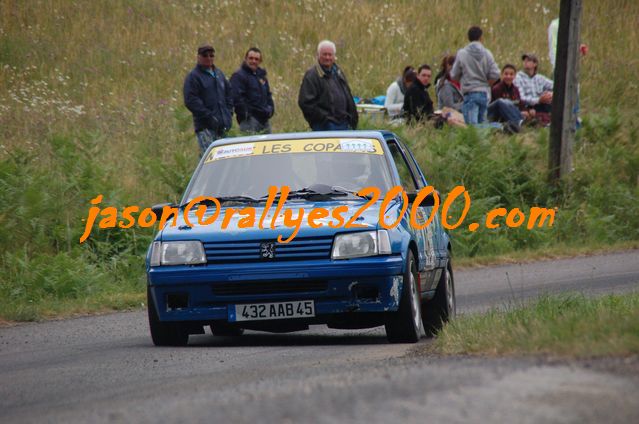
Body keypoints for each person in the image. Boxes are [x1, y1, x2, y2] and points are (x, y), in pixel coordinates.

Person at [183, 44, 233, 155]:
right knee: (210, 158)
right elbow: (190, 100)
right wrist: (209, 116)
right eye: (205, 55)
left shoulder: (219, 74)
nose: (209, 58)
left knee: (224, 159)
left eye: (211, 55)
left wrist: (228, 113)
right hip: (205, 127)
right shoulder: (194, 77)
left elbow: (228, 93)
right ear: (198, 57)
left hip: (222, 126)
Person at [298, 40, 358, 131]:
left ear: (334, 56)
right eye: (324, 54)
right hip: (324, 126)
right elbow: (305, 103)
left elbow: (348, 95)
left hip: (344, 123)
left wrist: (353, 118)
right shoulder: (312, 75)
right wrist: (324, 119)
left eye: (330, 55)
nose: (327, 57)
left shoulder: (338, 72)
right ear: (318, 55)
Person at [451, 26, 500, 125]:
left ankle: (498, 127)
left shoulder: (462, 53)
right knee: (481, 125)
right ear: (481, 38)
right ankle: (496, 128)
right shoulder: (487, 53)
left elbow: (454, 75)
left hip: (470, 93)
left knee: (471, 127)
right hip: (484, 94)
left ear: (468, 38)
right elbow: (496, 74)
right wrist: (486, 84)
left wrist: (463, 80)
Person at [230, 47, 275, 134]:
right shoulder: (239, 76)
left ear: (260, 61)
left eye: (256, 59)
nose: (253, 61)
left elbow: (268, 95)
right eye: (251, 58)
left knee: (268, 145)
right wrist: (246, 113)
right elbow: (236, 97)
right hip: (249, 120)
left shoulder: (261, 76)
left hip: (264, 120)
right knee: (250, 147)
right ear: (245, 59)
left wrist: (270, 110)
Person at [514, 53, 553, 126]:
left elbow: (555, 85)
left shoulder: (540, 78)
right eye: (524, 60)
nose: (525, 62)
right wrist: (538, 100)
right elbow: (521, 98)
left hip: (541, 105)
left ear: (535, 64)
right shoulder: (518, 77)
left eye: (528, 60)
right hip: (527, 106)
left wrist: (550, 95)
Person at [487, 64, 529, 132]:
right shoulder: (496, 88)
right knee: (501, 102)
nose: (508, 76)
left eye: (511, 74)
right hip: (494, 114)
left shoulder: (515, 89)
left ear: (515, 76)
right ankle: (519, 122)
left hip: (509, 116)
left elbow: (520, 103)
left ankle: (519, 123)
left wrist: (525, 111)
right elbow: (500, 108)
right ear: (501, 75)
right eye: (506, 74)